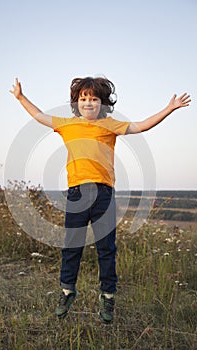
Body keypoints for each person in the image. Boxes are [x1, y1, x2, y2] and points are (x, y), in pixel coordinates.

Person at [10, 76, 191, 324]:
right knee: (71, 246)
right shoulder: (66, 124)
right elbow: (40, 116)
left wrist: (169, 108)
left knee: (106, 248)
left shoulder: (109, 125)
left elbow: (141, 126)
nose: (88, 103)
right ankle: (67, 290)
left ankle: (107, 296)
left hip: (104, 194)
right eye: (84, 98)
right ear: (77, 102)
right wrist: (21, 97)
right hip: (76, 193)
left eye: (94, 99)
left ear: (102, 103)